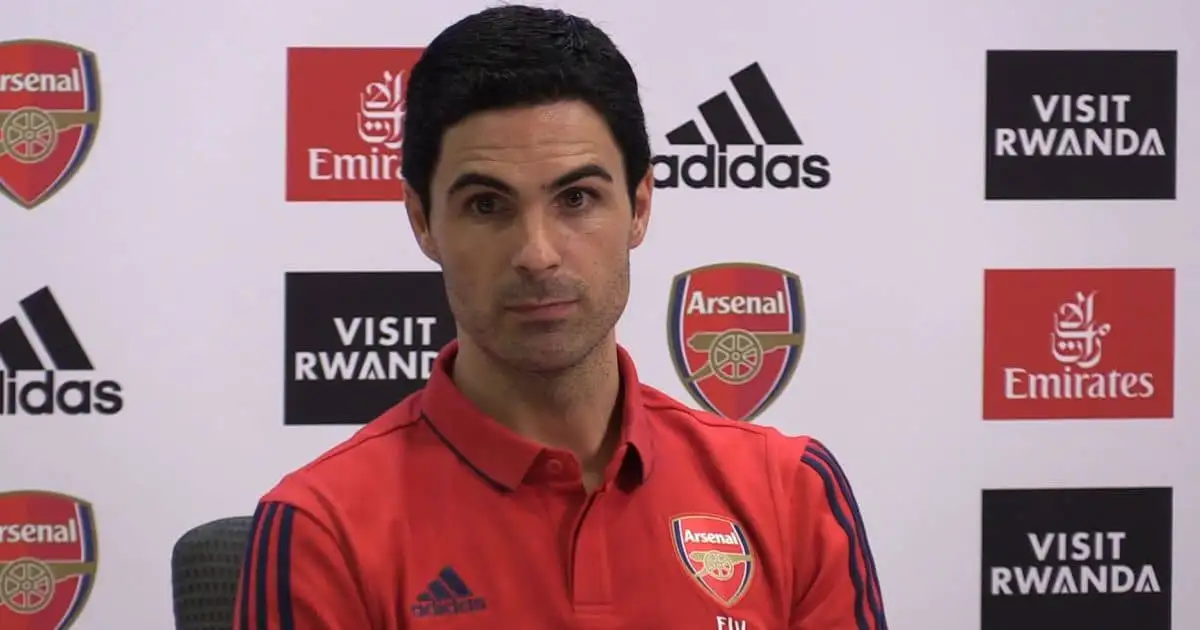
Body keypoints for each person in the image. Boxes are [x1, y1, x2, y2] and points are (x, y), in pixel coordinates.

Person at [233, 5, 887, 629]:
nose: (537, 255)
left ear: (639, 205)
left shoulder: (790, 494)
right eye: (487, 206)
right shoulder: (322, 529)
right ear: (422, 221)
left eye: (576, 198)